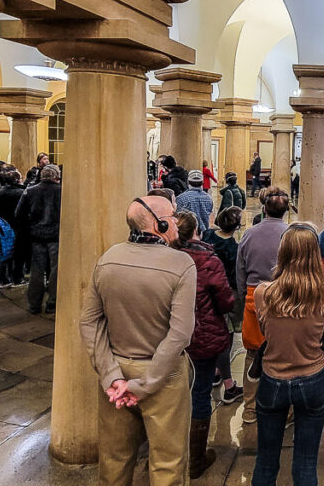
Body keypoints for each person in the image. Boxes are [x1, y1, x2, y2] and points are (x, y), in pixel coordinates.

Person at [79, 196, 196, 486]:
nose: (176, 222)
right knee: (167, 462)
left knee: (114, 460)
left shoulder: (108, 258)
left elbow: (90, 322)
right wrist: (145, 384)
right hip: (163, 374)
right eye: (172, 216)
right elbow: (180, 333)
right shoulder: (182, 264)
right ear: (160, 224)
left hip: (116, 370)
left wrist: (111, 376)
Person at [252, 222, 324, 486]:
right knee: (306, 463)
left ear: (283, 252)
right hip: (312, 377)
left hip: (273, 377)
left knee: (266, 460)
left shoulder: (263, 293)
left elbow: (265, 329)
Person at [172, 211, 235, 479]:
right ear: (197, 231)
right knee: (200, 392)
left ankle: (170, 449)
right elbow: (225, 301)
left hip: (170, 336)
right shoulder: (207, 259)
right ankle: (196, 459)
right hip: (203, 334)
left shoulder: (167, 256)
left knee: (172, 392)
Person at [236, 188, 290, 424]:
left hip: (253, 297)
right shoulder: (290, 234)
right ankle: (285, 409)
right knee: (284, 355)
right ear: (286, 210)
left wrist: (242, 297)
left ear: (264, 208)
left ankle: (250, 408)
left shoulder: (249, 234)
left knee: (252, 354)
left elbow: (240, 269)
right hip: (283, 297)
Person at [202, 206, 246, 387]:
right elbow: (237, 274)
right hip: (226, 292)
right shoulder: (233, 248)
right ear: (236, 227)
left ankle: (216, 371)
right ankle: (228, 383)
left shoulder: (208, 235)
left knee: (214, 331)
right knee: (225, 337)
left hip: (205, 291)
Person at [15, 164, 62, 315]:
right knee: (56, 269)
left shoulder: (30, 190)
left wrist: (31, 224)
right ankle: (52, 303)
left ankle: (34, 304)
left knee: (36, 270)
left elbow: (19, 213)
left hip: (36, 235)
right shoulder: (61, 191)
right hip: (55, 235)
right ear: (56, 176)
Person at [0, 167, 27, 288]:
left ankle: (2, 279)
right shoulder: (22, 193)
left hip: (2, 225)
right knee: (19, 253)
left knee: (3, 251)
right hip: (19, 225)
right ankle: (17, 278)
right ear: (17, 180)